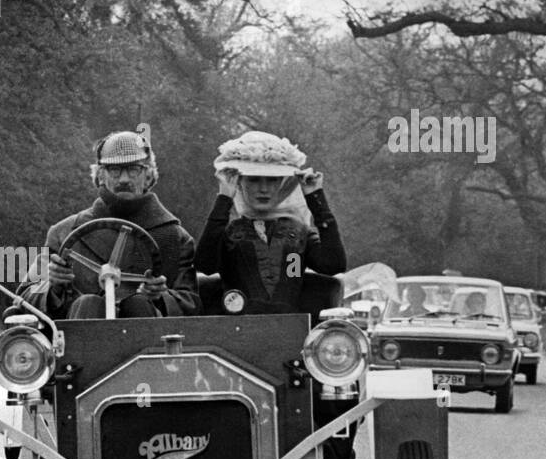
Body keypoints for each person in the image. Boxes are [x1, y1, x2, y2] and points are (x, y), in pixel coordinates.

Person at [19, 131, 199, 319]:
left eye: (133, 169)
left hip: (150, 341)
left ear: (148, 175)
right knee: (88, 303)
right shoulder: (63, 233)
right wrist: (53, 286)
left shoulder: (175, 237)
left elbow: (191, 304)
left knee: (139, 304)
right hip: (79, 339)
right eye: (115, 170)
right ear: (100, 176)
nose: (124, 179)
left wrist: (160, 296)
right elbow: (24, 298)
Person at [193, 130, 346, 312]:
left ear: (281, 184)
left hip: (291, 330)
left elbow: (333, 264)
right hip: (238, 331)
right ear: (240, 183)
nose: (263, 189)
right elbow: (205, 265)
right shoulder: (229, 233)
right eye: (254, 180)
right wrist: (224, 197)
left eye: (272, 180)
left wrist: (316, 198)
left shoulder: (298, 234)